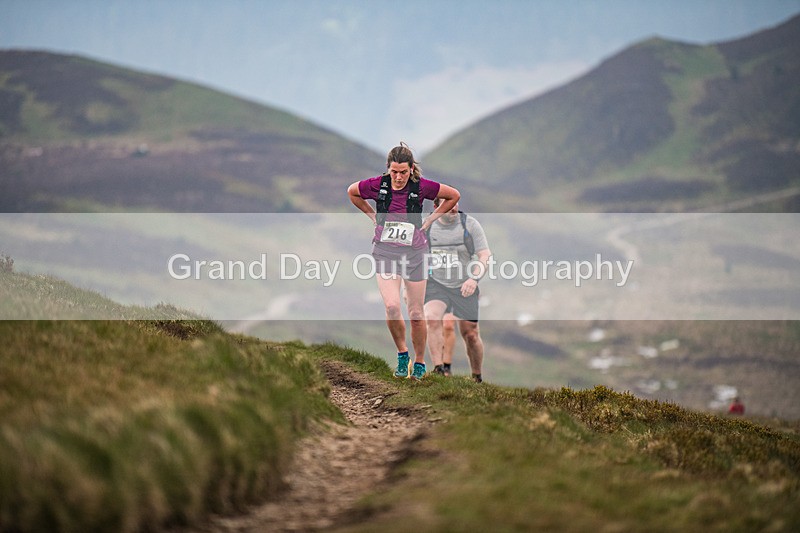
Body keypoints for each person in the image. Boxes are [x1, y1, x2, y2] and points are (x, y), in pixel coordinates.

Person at [347, 143, 460, 380]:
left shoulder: (422, 187)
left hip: (415, 253)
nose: (398, 177)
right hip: (385, 251)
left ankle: (419, 362)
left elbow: (453, 195)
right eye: (394, 172)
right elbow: (352, 192)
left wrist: (430, 220)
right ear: (388, 169)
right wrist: (373, 217)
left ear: (411, 170)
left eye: (403, 172)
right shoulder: (378, 184)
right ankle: (402, 355)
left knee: (416, 313)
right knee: (392, 306)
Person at [424, 198, 491, 382]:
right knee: (432, 318)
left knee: (471, 334)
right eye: (448, 204)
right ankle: (439, 370)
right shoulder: (427, 225)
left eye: (456, 203)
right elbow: (415, 256)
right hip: (436, 283)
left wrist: (474, 279)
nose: (453, 208)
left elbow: (485, 255)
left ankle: (477, 377)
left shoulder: (469, 225)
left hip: (464, 284)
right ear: (437, 207)